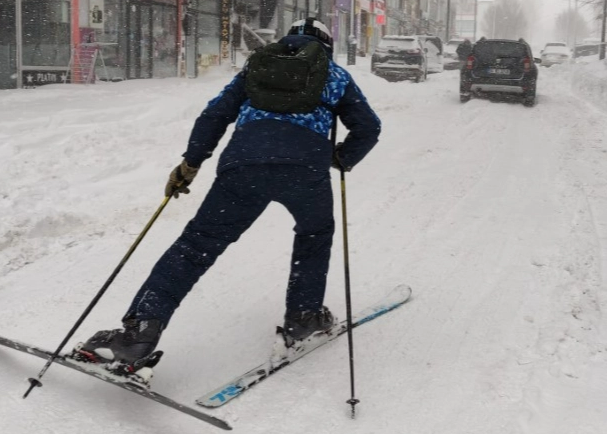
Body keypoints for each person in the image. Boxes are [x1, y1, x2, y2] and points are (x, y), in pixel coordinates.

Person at [75, 18, 381, 370]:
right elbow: (369, 127)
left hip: (243, 167)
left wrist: (191, 163)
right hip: (305, 173)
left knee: (195, 246)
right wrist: (340, 158)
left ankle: (139, 332)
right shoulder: (336, 75)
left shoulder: (259, 64)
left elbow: (215, 114)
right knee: (314, 234)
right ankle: (303, 317)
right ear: (328, 43)